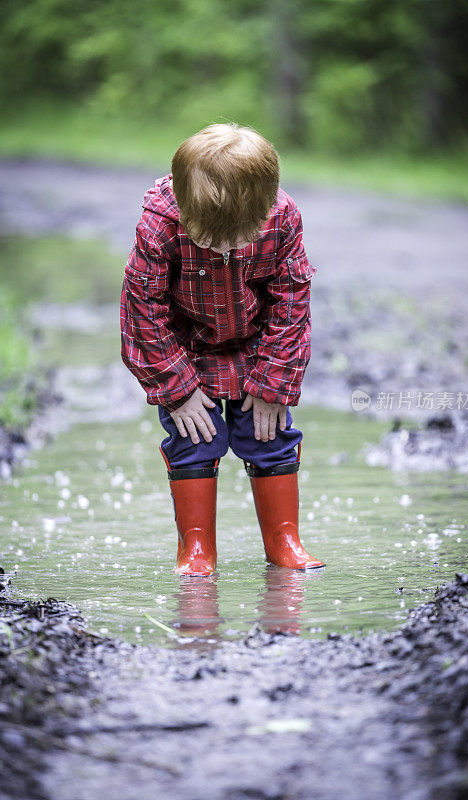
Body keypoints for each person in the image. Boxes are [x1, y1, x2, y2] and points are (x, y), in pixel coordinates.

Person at [120, 122, 325, 576]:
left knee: (268, 436)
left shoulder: (284, 218)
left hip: (259, 350)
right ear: (186, 209)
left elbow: (291, 303)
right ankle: (197, 551)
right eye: (208, 239)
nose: (221, 248)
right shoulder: (159, 227)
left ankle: (284, 542)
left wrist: (274, 381)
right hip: (186, 351)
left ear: (263, 212)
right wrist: (177, 390)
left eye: (235, 240)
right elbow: (142, 313)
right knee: (196, 438)